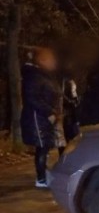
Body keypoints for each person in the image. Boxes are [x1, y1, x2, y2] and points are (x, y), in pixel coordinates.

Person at [20, 47, 61, 188]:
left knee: (45, 147)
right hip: (37, 118)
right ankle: (41, 179)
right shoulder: (33, 76)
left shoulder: (42, 75)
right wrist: (49, 111)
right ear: (41, 60)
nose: (52, 61)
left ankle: (43, 175)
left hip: (43, 117)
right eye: (49, 58)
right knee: (42, 147)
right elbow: (32, 98)